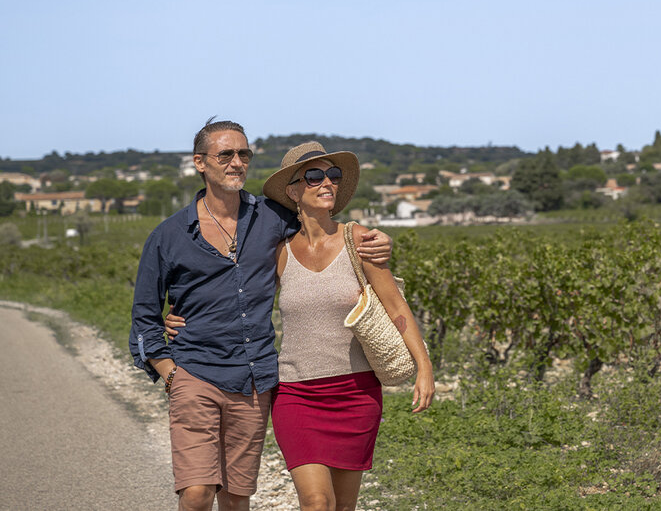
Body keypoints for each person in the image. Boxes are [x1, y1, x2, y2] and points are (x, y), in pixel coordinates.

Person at [130, 119, 393, 511]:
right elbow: (145, 317)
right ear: (200, 162)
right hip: (195, 371)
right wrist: (171, 372)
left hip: (254, 380)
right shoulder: (168, 236)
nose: (237, 162)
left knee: (237, 499)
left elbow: (324, 226)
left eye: (244, 154)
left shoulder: (272, 218)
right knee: (198, 493)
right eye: (226, 154)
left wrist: (378, 239)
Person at [259, 141, 434, 511]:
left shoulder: (360, 241)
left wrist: (425, 367)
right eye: (314, 176)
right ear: (293, 191)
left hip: (355, 394)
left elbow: (396, 306)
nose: (327, 183)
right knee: (317, 502)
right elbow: (244, 305)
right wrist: (179, 314)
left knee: (343, 506)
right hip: (296, 394)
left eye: (333, 175)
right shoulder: (279, 254)